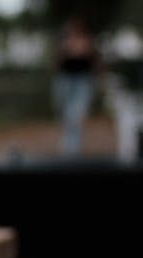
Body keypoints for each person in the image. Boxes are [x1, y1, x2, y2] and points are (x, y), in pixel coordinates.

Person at [53, 18, 99, 155]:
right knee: (66, 114)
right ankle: (69, 145)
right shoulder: (63, 42)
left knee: (75, 115)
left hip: (82, 81)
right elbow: (57, 62)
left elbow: (93, 61)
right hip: (65, 80)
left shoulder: (87, 41)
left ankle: (72, 149)